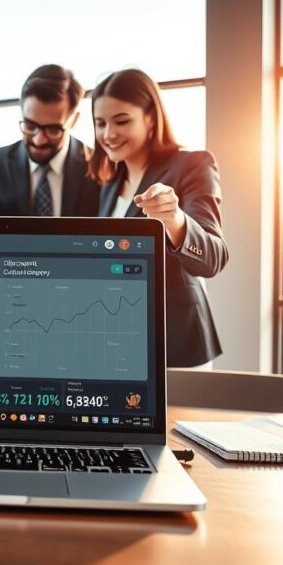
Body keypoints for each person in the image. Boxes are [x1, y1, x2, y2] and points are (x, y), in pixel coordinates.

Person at [90, 69, 228, 368]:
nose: (108, 134)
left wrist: (175, 221)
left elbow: (214, 257)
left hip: (176, 345)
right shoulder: (109, 183)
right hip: (121, 342)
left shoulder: (191, 165)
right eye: (100, 123)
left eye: (122, 121)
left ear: (151, 117)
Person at [0, 64, 99, 217]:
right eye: (30, 126)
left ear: (73, 121)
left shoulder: (98, 167)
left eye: (53, 129)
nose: (39, 140)